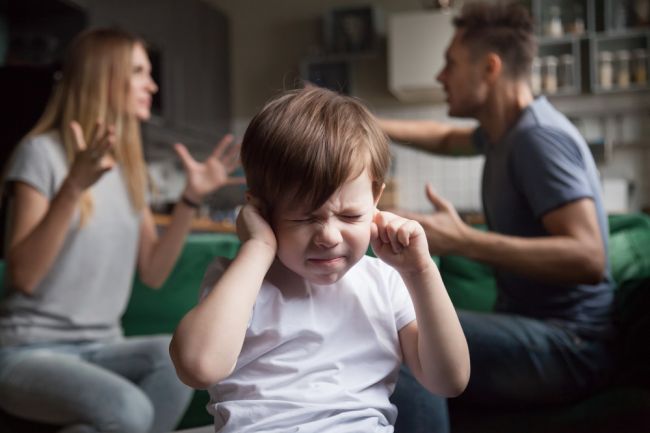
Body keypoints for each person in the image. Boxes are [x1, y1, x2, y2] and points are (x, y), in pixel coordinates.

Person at [169, 86, 470, 433]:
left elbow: (450, 380)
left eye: (350, 216)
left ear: (375, 198)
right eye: (304, 218)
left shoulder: (386, 281)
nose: (329, 236)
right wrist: (258, 248)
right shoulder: (240, 282)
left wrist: (420, 271)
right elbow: (197, 367)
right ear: (261, 209)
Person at [378, 1, 615, 430]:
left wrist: (462, 240)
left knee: (408, 341)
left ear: (490, 67)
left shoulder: (537, 139)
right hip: (542, 332)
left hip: (570, 345)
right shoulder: (502, 133)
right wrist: (364, 121)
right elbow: (446, 137)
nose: (440, 76)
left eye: (450, 64)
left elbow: (590, 257)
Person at [0, 28, 243, 433]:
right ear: (104, 77)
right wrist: (73, 186)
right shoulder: (41, 153)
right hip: (27, 351)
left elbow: (153, 271)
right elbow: (24, 275)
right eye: (138, 72)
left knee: (176, 361)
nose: (152, 84)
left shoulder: (130, 168)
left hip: (103, 346)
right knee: (128, 409)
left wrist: (189, 199)